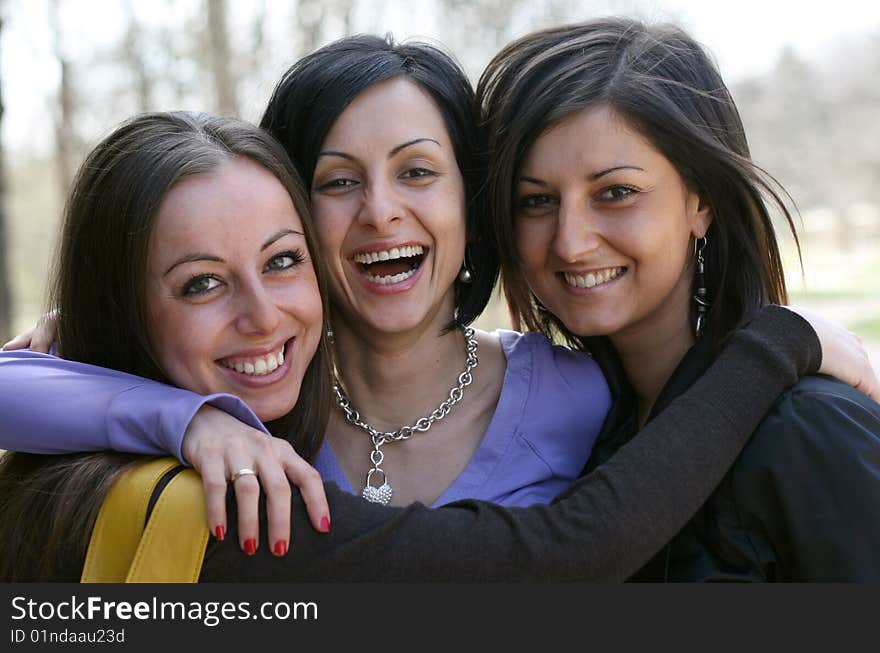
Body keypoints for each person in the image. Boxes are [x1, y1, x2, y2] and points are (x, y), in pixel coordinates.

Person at [0, 110, 835, 582]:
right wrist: (775, 343)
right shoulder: (232, 504)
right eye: (200, 284)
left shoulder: (57, 475)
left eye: (282, 261)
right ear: (124, 309)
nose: (262, 315)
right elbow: (560, 562)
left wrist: (178, 412)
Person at [477, 17, 880, 580]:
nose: (570, 240)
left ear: (702, 201)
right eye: (537, 201)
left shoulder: (808, 428)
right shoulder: (567, 431)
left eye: (616, 193)